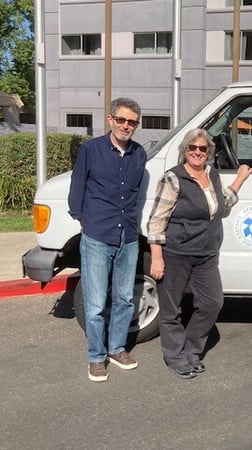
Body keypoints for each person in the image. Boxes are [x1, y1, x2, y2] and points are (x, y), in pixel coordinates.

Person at [147, 128, 252, 379]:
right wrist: (157, 257)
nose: (197, 152)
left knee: (212, 303)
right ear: (185, 150)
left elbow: (221, 205)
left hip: (205, 253)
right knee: (172, 309)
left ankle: (192, 350)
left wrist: (239, 179)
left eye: (202, 149)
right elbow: (156, 220)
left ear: (209, 152)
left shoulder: (211, 174)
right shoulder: (173, 178)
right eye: (192, 148)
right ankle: (175, 357)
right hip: (176, 252)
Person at [68, 98, 147, 382]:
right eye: (122, 120)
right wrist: (86, 222)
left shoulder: (139, 154)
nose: (127, 125)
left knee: (125, 298)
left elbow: (137, 192)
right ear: (111, 119)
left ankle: (116, 348)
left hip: (128, 235)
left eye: (132, 122)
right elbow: (77, 191)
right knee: (96, 302)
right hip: (98, 236)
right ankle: (96, 357)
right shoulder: (90, 150)